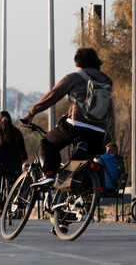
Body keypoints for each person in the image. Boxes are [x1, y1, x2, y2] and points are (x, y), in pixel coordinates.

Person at [20, 47, 113, 188]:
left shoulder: (74, 78)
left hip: (76, 126)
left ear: (77, 63)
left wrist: (31, 113)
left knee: (47, 143)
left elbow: (53, 95)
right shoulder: (107, 80)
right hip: (99, 132)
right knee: (80, 167)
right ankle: (81, 203)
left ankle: (50, 174)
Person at [0, 111, 28, 216]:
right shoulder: (17, 132)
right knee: (17, 181)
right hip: (15, 159)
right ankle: (16, 202)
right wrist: (24, 156)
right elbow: (23, 147)